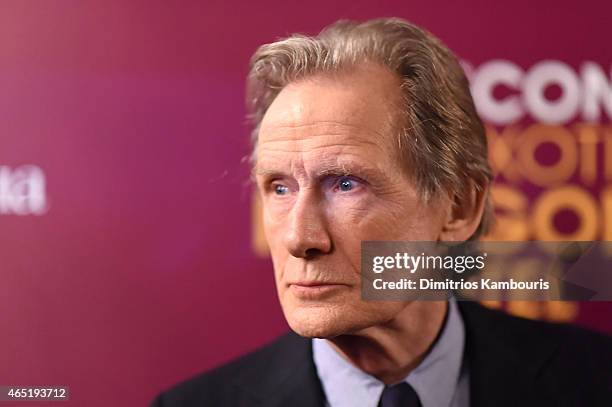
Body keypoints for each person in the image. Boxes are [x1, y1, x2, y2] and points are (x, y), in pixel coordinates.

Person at [151, 18, 612, 407]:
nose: (300, 237)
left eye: (345, 184)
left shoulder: (595, 380)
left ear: (458, 206)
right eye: (280, 187)